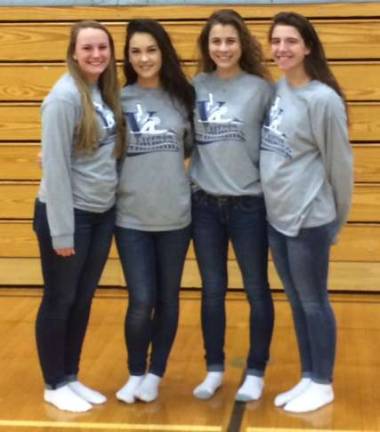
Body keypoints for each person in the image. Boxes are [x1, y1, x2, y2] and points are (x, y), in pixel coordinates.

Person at [261, 12, 353, 413]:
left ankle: (323, 381)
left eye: (291, 41)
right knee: (297, 301)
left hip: (309, 218)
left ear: (308, 47)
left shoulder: (323, 99)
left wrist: (336, 221)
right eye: (276, 41)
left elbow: (341, 167)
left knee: (314, 301)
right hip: (276, 217)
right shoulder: (278, 90)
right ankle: (307, 375)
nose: (282, 49)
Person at [33, 21, 125, 413]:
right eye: (87, 48)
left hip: (100, 214)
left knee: (82, 298)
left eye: (102, 47)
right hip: (68, 216)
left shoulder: (101, 92)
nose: (96, 55)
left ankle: (70, 375)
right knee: (60, 298)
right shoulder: (63, 98)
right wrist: (61, 233)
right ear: (73, 52)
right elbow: (54, 169)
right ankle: (53, 383)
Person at [190, 9, 274, 402]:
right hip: (204, 205)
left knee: (257, 290)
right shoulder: (194, 87)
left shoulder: (260, 89)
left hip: (249, 205)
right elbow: (182, 141)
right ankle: (214, 368)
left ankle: (256, 370)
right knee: (212, 290)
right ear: (207, 47)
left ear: (242, 44)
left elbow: (278, 144)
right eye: (216, 41)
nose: (223, 48)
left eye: (230, 41)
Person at [115, 19, 195, 404]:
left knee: (168, 298)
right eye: (135, 51)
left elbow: (197, 150)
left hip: (176, 218)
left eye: (150, 50)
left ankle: (155, 373)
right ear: (127, 57)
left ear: (163, 52)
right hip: (130, 218)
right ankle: (135, 371)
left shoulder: (184, 98)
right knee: (141, 298)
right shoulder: (118, 100)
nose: (144, 58)